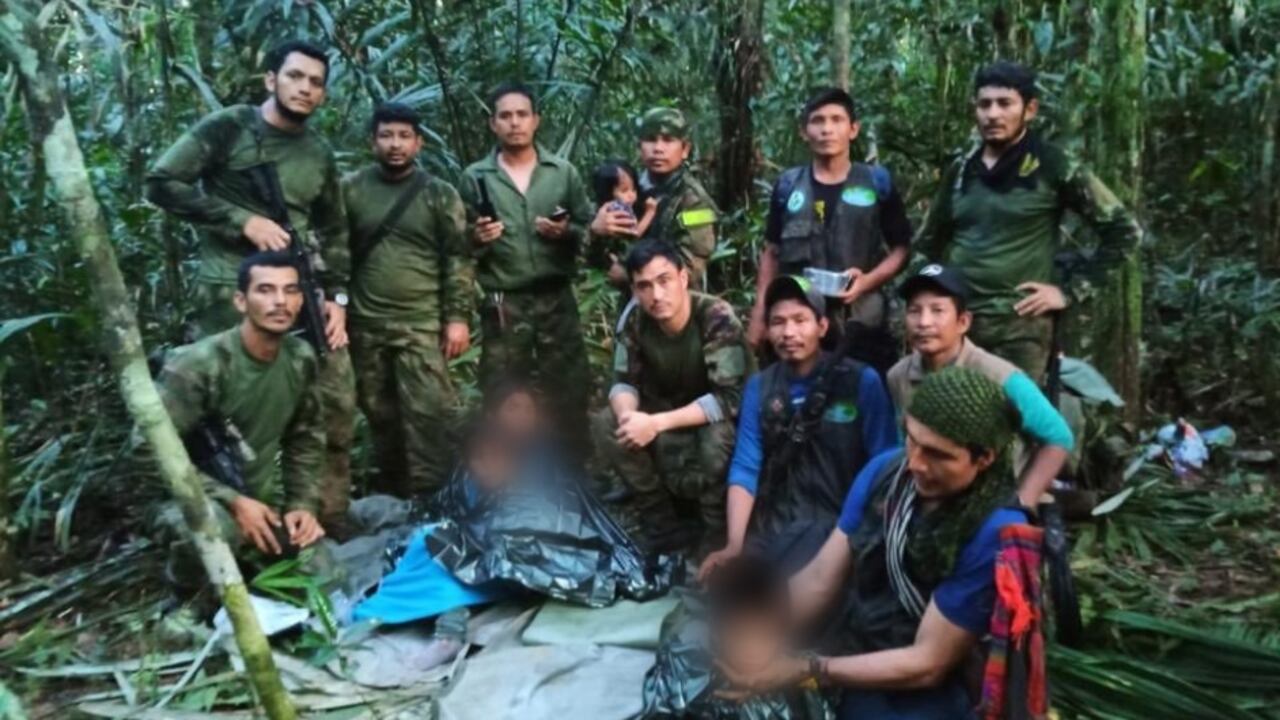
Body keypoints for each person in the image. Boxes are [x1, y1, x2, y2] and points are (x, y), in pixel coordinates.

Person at [717, 367, 1031, 719]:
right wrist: (759, 632)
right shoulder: (885, 473)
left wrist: (807, 670)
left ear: (984, 458)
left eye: (937, 454)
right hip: (862, 638)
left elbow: (928, 663)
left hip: (932, 681)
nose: (915, 464)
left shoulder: (996, 533)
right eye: (911, 439)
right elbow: (820, 579)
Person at [145, 39, 356, 534]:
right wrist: (241, 221)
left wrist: (338, 298)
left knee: (332, 399)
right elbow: (161, 182)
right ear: (271, 79)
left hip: (300, 291)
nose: (305, 88)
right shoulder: (230, 128)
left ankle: (321, 518)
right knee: (227, 412)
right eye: (295, 76)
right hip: (230, 293)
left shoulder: (318, 153)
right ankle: (231, 520)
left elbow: (335, 230)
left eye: (315, 83)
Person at [915, 61, 1142, 380]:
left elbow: (1125, 232)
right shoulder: (961, 169)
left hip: (1020, 328)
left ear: (1029, 109)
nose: (993, 114)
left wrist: (1069, 292)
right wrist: (924, 307)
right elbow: (928, 243)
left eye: (1004, 103)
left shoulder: (1054, 165)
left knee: (1016, 410)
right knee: (948, 408)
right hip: (959, 325)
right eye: (984, 104)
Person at [700, 275, 897, 580]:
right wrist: (734, 545)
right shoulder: (760, 387)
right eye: (778, 322)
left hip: (840, 528)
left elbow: (885, 463)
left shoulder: (861, 381)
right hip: (777, 525)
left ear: (822, 326)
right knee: (726, 589)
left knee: (787, 595)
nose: (789, 332)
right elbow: (746, 466)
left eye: (800, 320)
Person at [153, 252, 326, 586]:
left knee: (323, 573)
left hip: (258, 498)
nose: (280, 301)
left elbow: (306, 437)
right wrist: (232, 502)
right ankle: (187, 594)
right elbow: (148, 452)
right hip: (188, 497)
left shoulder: (300, 358)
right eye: (265, 290)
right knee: (215, 531)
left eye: (290, 290)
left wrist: (301, 505)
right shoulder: (198, 366)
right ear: (240, 301)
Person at [342, 102, 474, 499]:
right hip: (366, 324)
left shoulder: (439, 194)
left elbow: (458, 257)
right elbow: (333, 252)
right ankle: (395, 497)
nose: (395, 144)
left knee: (432, 415)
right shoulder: (350, 189)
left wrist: (457, 317)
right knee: (381, 416)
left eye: (404, 136)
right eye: (386, 135)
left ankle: (437, 497)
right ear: (373, 141)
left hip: (421, 323)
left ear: (419, 143)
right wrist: (335, 306)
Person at [457, 82, 595, 449]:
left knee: (569, 385)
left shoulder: (562, 173)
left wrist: (565, 232)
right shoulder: (475, 177)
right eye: (505, 116)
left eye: (522, 114)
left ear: (536, 120)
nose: (514, 123)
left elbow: (590, 229)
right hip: (505, 302)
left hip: (556, 298)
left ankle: (571, 467)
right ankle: (509, 467)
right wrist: (476, 237)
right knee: (503, 388)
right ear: (493, 124)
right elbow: (458, 243)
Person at [591, 240, 750, 556]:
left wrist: (655, 424)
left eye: (664, 280)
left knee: (717, 439)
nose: (656, 295)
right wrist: (628, 418)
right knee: (607, 422)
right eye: (644, 286)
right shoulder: (636, 320)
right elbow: (622, 383)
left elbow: (729, 398)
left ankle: (715, 533)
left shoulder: (715, 316)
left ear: (683, 278)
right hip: (664, 411)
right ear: (635, 290)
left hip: (713, 418)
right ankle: (662, 524)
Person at [748, 87, 912, 374]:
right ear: (804, 131)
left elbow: (901, 249)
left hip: (860, 322)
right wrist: (761, 311)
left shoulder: (876, 183)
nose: (827, 129)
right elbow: (772, 252)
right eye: (818, 120)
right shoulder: (788, 186)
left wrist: (867, 281)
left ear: (853, 129)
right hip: (799, 325)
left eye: (837, 120)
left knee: (861, 391)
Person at [887, 264, 1073, 506]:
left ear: (963, 322)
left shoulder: (999, 376)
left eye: (937, 310)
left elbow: (1058, 437)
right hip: (930, 494)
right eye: (914, 311)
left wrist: (1023, 502)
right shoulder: (899, 375)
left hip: (992, 500)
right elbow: (905, 443)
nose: (924, 322)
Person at [591, 107, 719, 288]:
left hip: (671, 301)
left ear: (685, 149)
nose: (658, 149)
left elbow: (689, 269)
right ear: (639, 148)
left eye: (668, 140)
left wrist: (629, 276)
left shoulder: (695, 203)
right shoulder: (625, 188)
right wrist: (595, 232)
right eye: (651, 140)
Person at [592, 160, 659, 289]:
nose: (631, 196)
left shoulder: (604, 209)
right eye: (624, 191)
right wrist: (650, 212)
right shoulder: (618, 209)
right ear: (608, 192)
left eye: (633, 190)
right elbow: (635, 233)